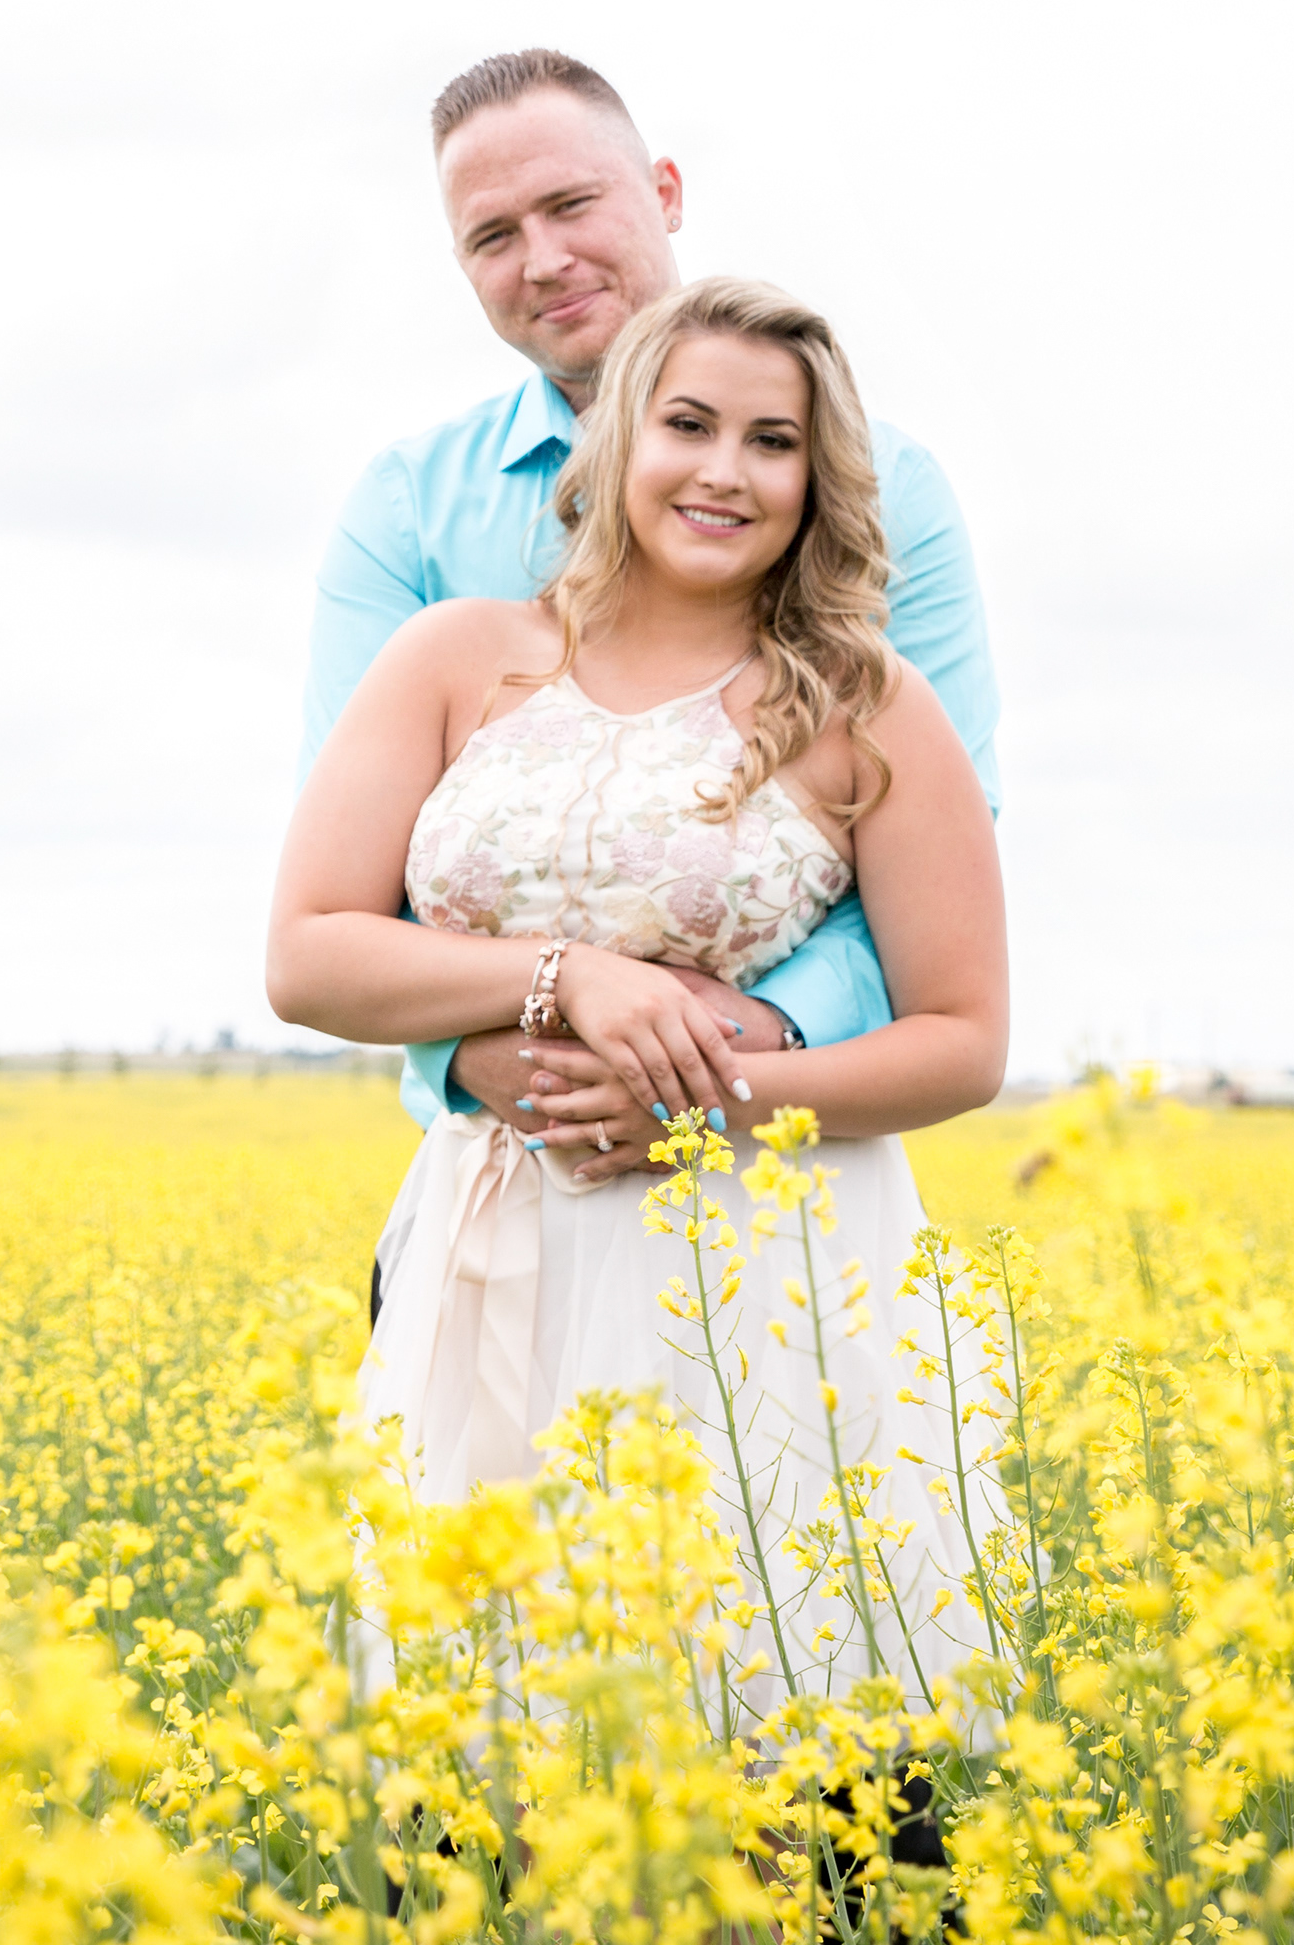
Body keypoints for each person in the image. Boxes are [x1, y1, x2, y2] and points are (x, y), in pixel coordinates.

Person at [269, 273, 1015, 1736]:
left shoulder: (865, 704)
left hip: (760, 1260)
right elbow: (308, 954)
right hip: (489, 1239)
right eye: (688, 424)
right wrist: (569, 977)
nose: (725, 471)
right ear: (615, 436)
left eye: (773, 441)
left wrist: (702, 1096)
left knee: (776, 1748)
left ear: (818, 479)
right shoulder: (456, 660)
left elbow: (963, 1040)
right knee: (489, 1750)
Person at [303, 52, 1001, 1212]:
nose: (544, 259)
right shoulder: (406, 514)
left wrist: (718, 1058)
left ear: (665, 192)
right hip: (494, 1166)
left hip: (772, 1178)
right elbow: (349, 899)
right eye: (493, 235)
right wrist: (499, 1041)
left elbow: (940, 870)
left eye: (571, 203)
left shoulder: (895, 499)